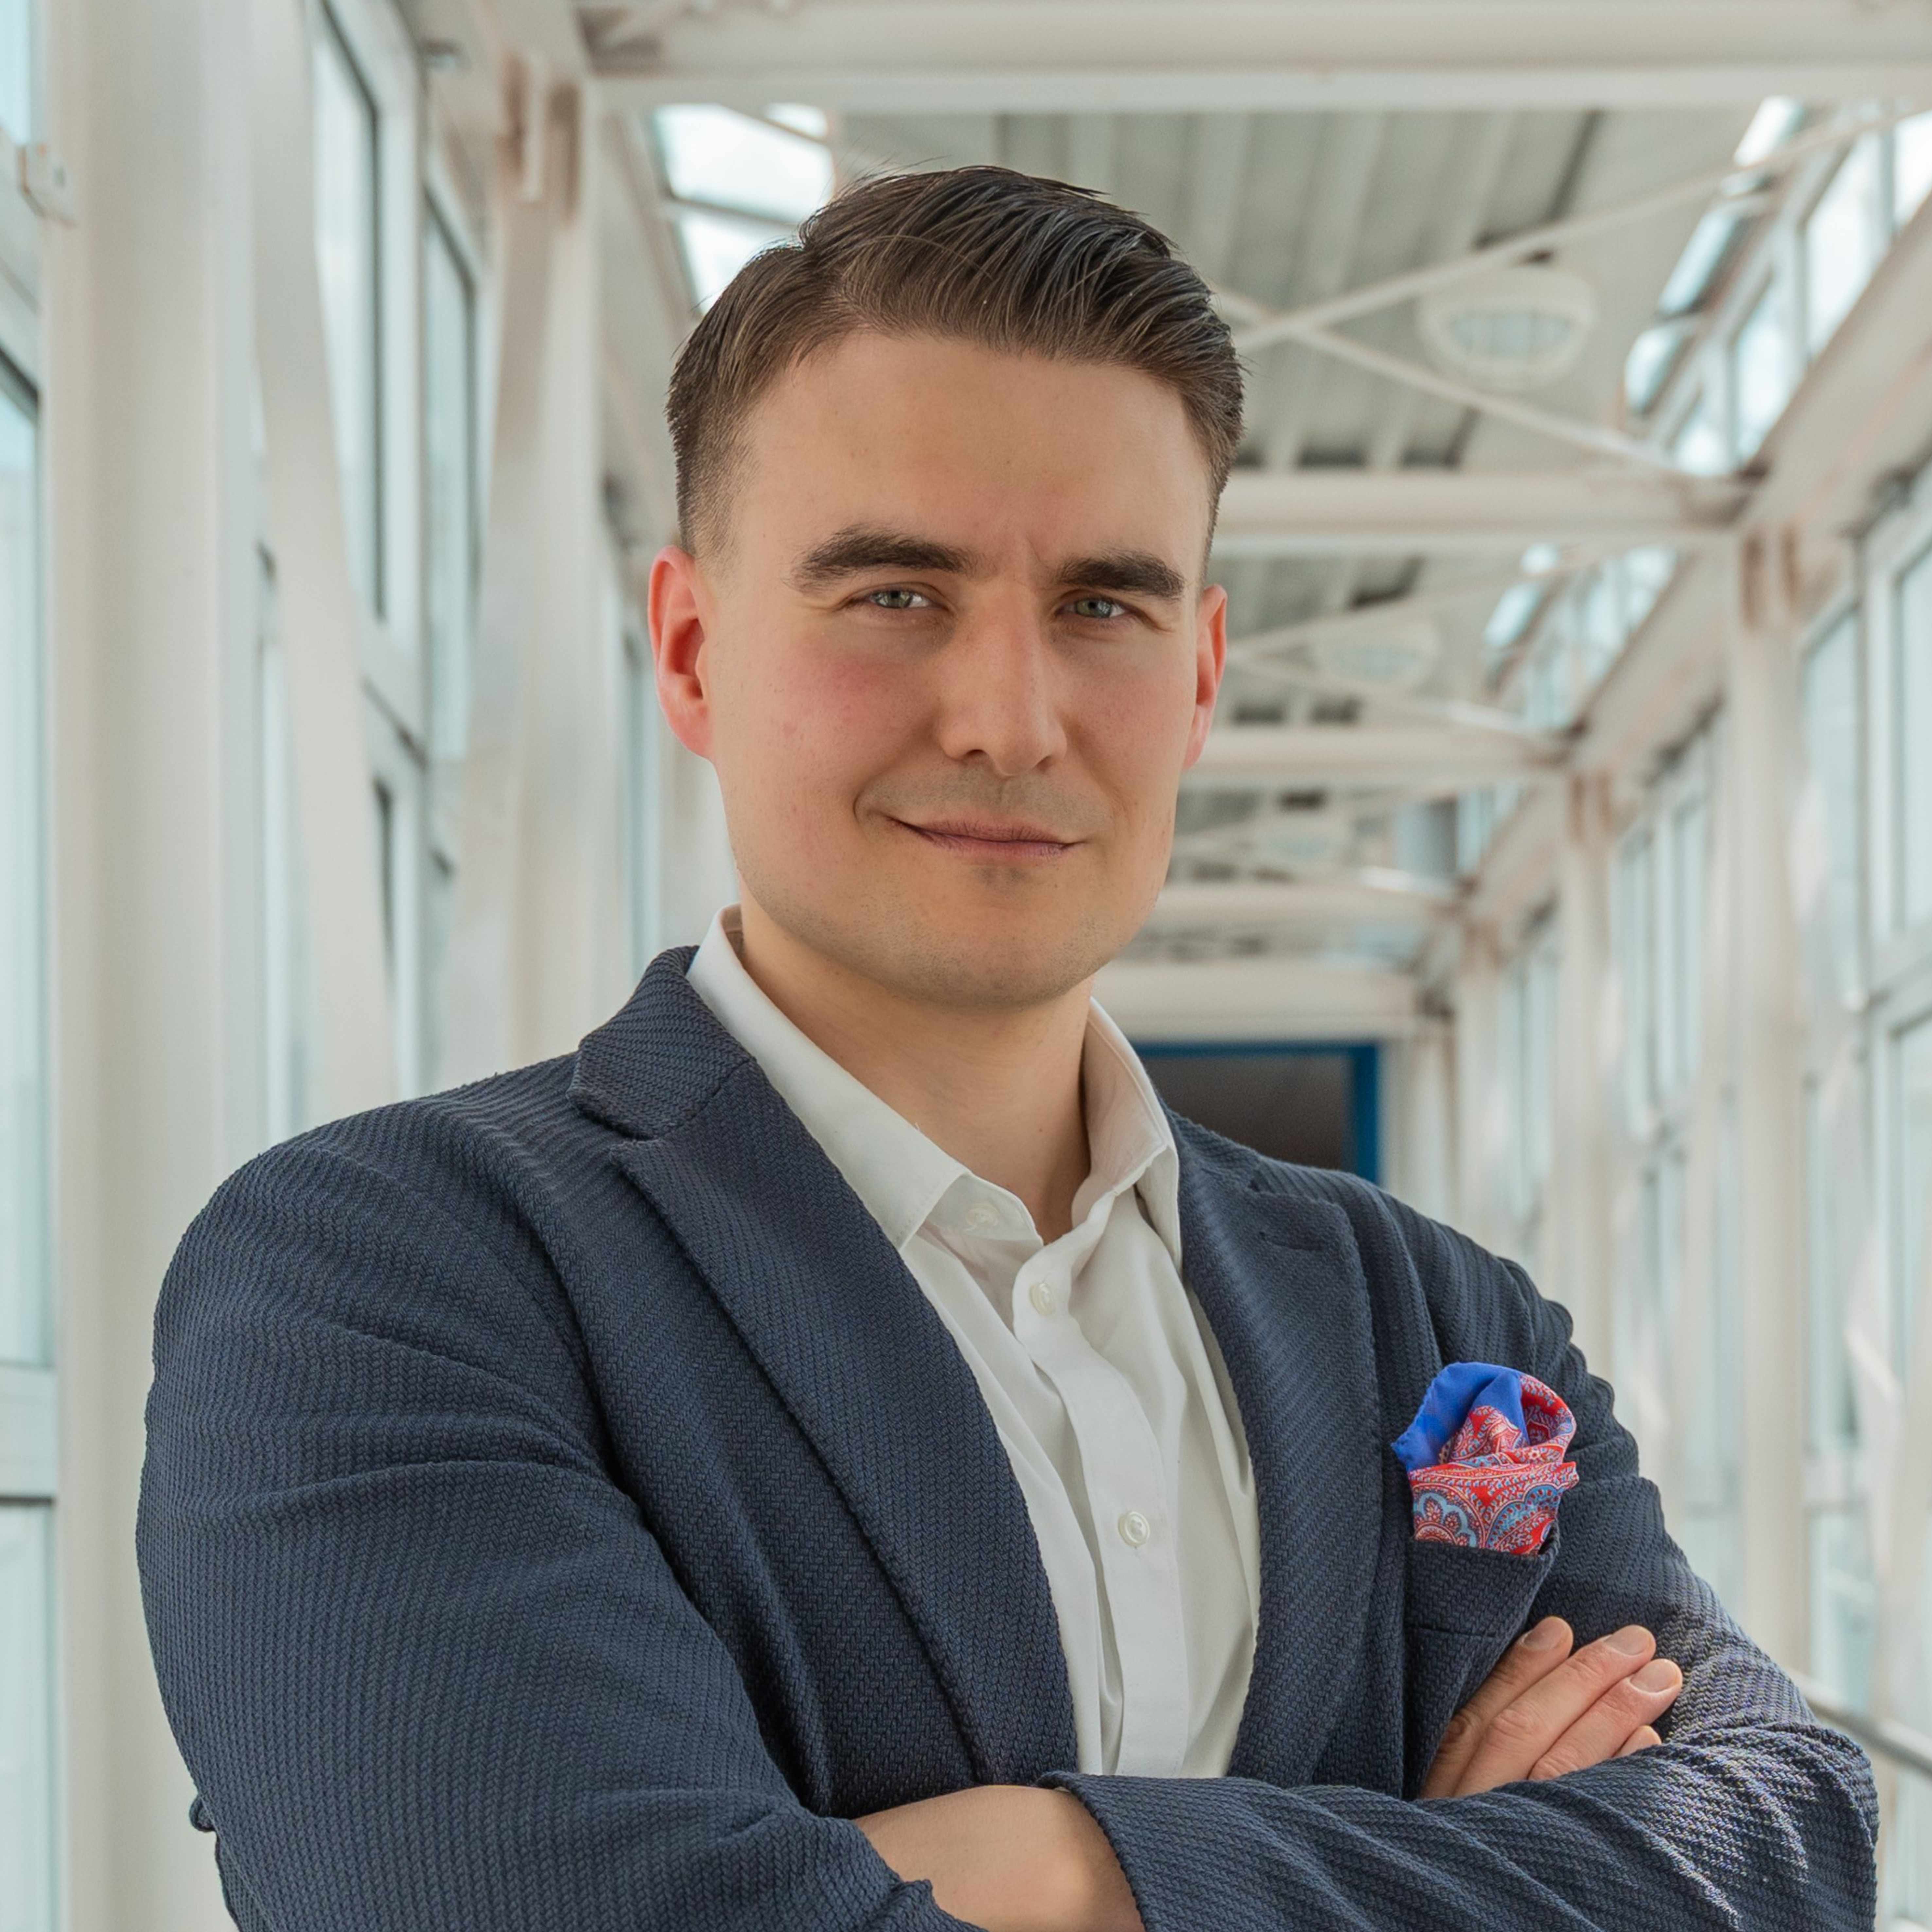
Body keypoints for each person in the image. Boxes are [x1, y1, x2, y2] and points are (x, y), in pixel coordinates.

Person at [137, 167, 1875, 1932]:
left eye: (1103, 608)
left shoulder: (1432, 1316)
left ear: (1199, 674)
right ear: (687, 647)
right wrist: (1433, 1865)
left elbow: (1785, 1839)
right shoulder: (388, 1278)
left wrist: (1063, 1862)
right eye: (896, 594)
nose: (1008, 718)